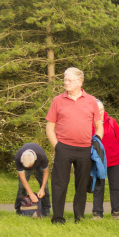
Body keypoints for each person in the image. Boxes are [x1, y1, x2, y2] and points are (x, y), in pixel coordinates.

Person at [46, 67, 104, 224]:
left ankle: (79, 217)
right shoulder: (57, 100)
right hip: (63, 147)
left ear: (80, 81)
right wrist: (56, 146)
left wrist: (96, 142)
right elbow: (49, 127)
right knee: (59, 184)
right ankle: (58, 218)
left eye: (69, 80)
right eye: (64, 79)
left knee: (82, 185)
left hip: (85, 149)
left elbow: (99, 125)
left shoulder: (91, 101)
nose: (65, 82)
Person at [92, 100, 119, 220]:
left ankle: (116, 212)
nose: (100, 112)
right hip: (98, 161)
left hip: (114, 159)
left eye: (101, 109)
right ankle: (97, 213)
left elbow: (118, 138)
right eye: (97, 110)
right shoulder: (91, 123)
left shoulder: (112, 122)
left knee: (115, 187)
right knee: (98, 187)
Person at [13, 143, 50, 216]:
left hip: (39, 166)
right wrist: (30, 193)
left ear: (34, 159)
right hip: (25, 168)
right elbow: (22, 177)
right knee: (21, 187)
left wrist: (42, 189)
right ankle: (19, 210)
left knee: (45, 187)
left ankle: (46, 210)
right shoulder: (18, 157)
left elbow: (46, 172)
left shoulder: (41, 156)